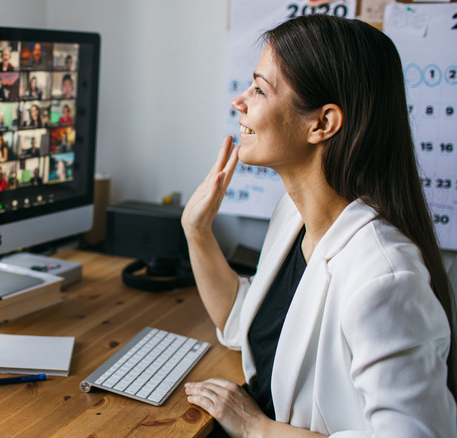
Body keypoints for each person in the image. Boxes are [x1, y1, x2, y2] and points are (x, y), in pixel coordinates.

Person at [180, 15, 456, 437]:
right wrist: (197, 233)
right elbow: (244, 324)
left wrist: (259, 429)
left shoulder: (385, 276)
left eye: (259, 88)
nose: (241, 101)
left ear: (322, 124)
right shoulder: (293, 215)